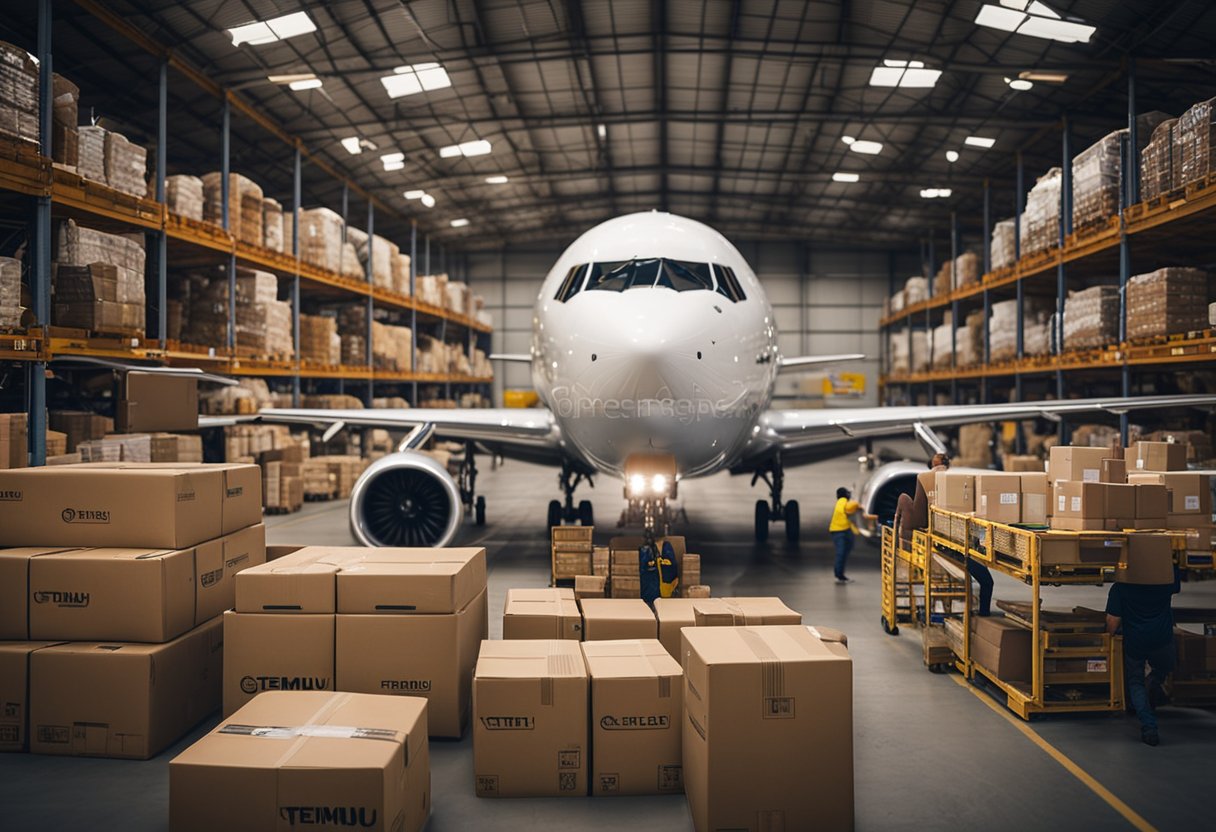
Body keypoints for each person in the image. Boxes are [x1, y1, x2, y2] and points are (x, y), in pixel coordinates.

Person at [1106, 567, 1181, 746]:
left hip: (1136, 642)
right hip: (1162, 640)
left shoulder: (1120, 588)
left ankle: (1149, 727)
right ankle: (1152, 685)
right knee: (1164, 668)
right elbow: (1175, 576)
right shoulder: (1164, 583)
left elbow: (1112, 621)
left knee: (1135, 682)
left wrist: (1111, 635)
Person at [828, 486, 860, 583]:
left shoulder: (840, 502)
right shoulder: (842, 501)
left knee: (845, 551)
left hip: (844, 529)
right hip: (840, 531)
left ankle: (840, 574)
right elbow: (850, 507)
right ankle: (839, 575)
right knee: (841, 553)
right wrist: (858, 503)